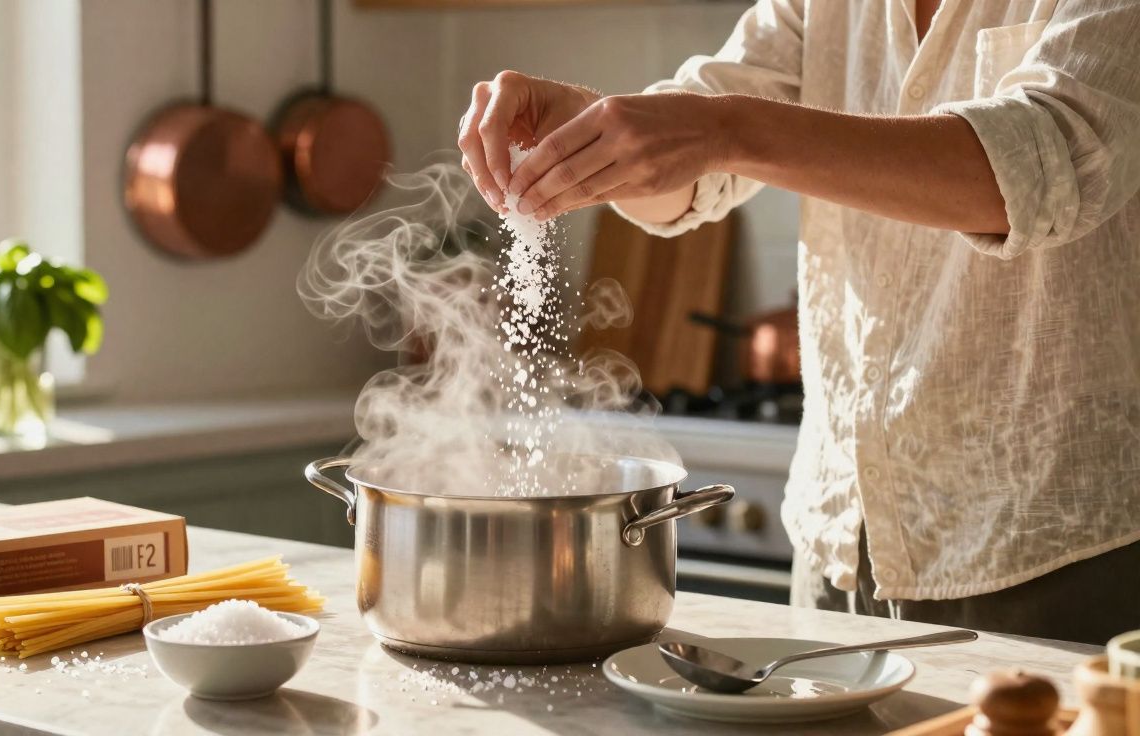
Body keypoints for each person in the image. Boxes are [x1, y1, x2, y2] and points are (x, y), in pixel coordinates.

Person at [458, 0, 1140, 645]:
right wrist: (592, 135)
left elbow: (1049, 159)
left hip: (1052, 543)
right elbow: (694, 177)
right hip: (839, 543)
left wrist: (723, 131)